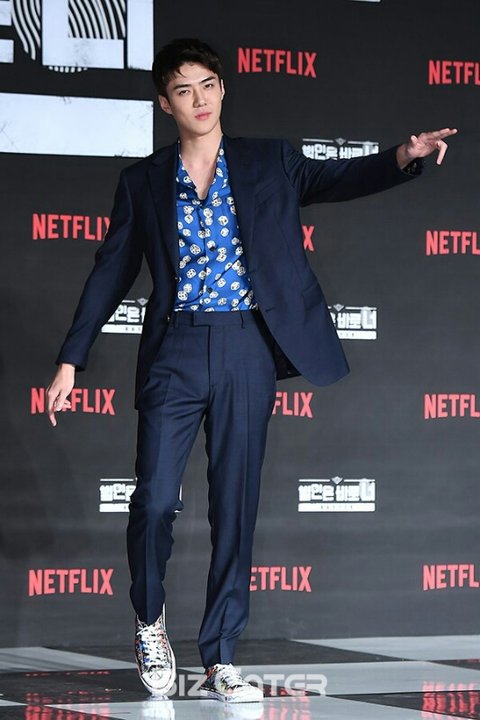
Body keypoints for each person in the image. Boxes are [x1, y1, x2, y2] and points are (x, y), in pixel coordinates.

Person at [46, 37, 457, 704]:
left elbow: (337, 179)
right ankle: (149, 622)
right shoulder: (143, 181)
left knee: (234, 506)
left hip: (247, 346)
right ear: (165, 103)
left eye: (208, 85)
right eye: (184, 90)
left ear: (222, 89)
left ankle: (221, 657)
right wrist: (72, 358)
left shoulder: (269, 161)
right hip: (176, 350)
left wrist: (402, 158)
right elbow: (111, 271)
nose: (200, 99)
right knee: (154, 498)